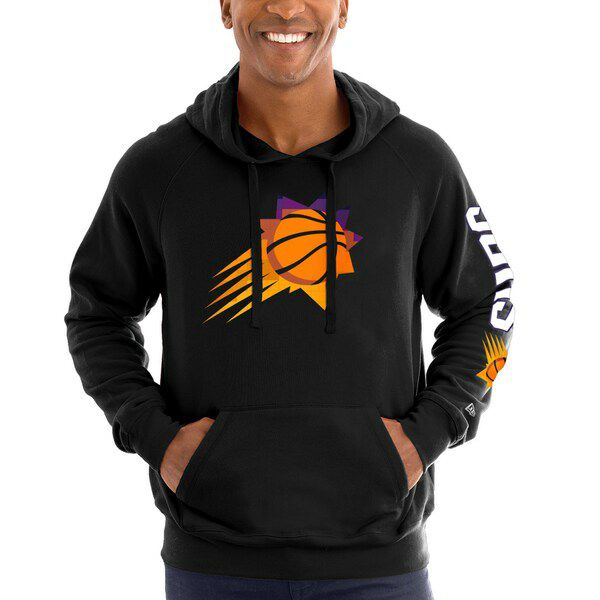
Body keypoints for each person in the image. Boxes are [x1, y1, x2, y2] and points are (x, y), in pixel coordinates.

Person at [65, 1, 514, 598]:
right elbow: (95, 316)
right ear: (226, 6)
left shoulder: (417, 164)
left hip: (380, 564)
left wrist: (431, 431)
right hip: (212, 564)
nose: (284, 6)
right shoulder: (158, 169)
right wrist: (157, 438)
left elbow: (492, 307)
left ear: (344, 7)